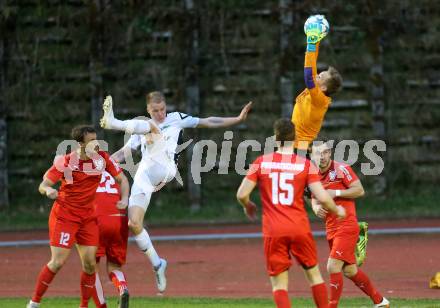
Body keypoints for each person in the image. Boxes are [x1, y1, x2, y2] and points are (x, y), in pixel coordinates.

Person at [100, 91, 253, 293]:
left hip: (166, 169)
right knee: (134, 224)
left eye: (163, 109)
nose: (161, 113)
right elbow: (123, 154)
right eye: (156, 110)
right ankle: (158, 264)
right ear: (148, 109)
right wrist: (101, 164)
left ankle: (113, 122)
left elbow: (208, 121)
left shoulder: (176, 119)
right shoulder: (142, 127)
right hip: (145, 175)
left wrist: (237, 119)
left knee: (151, 128)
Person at [236, 118, 346, 308]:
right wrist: (337, 209)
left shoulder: (261, 162)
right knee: (314, 275)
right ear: (294, 139)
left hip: (273, 230)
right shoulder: (305, 165)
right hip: (299, 228)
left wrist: (247, 205)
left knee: (279, 285)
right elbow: (322, 196)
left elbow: (241, 194)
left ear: (275, 139)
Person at [27, 125, 129, 308]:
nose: (96, 144)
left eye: (97, 139)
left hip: (88, 218)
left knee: (90, 265)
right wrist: (49, 190)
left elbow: (122, 179)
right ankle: (34, 302)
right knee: (58, 262)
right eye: (92, 141)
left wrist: (125, 199)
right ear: (80, 144)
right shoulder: (67, 162)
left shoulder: (102, 158)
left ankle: (83, 305)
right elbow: (43, 184)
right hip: (65, 216)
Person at [310, 141, 390, 308]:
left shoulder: (341, 169)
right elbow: (313, 197)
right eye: (318, 153)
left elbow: (359, 190)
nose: (322, 156)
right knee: (350, 271)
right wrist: (316, 208)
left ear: (330, 153)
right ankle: (380, 301)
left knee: (332, 266)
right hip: (330, 228)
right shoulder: (312, 174)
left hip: (346, 225)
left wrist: (336, 192)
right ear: (311, 155)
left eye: (325, 152)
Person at [292, 15, 343, 152]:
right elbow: (312, 63)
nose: (317, 75)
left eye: (320, 76)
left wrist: (311, 42)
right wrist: (316, 41)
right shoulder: (316, 91)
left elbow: (309, 75)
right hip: (295, 145)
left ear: (324, 87)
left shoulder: (319, 100)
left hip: (301, 148)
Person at [92, 171, 130, 308]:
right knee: (114, 266)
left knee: (91, 268)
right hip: (119, 218)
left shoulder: (81, 168)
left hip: (98, 219)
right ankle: (122, 287)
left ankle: (102, 306)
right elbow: (123, 181)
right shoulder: (111, 168)